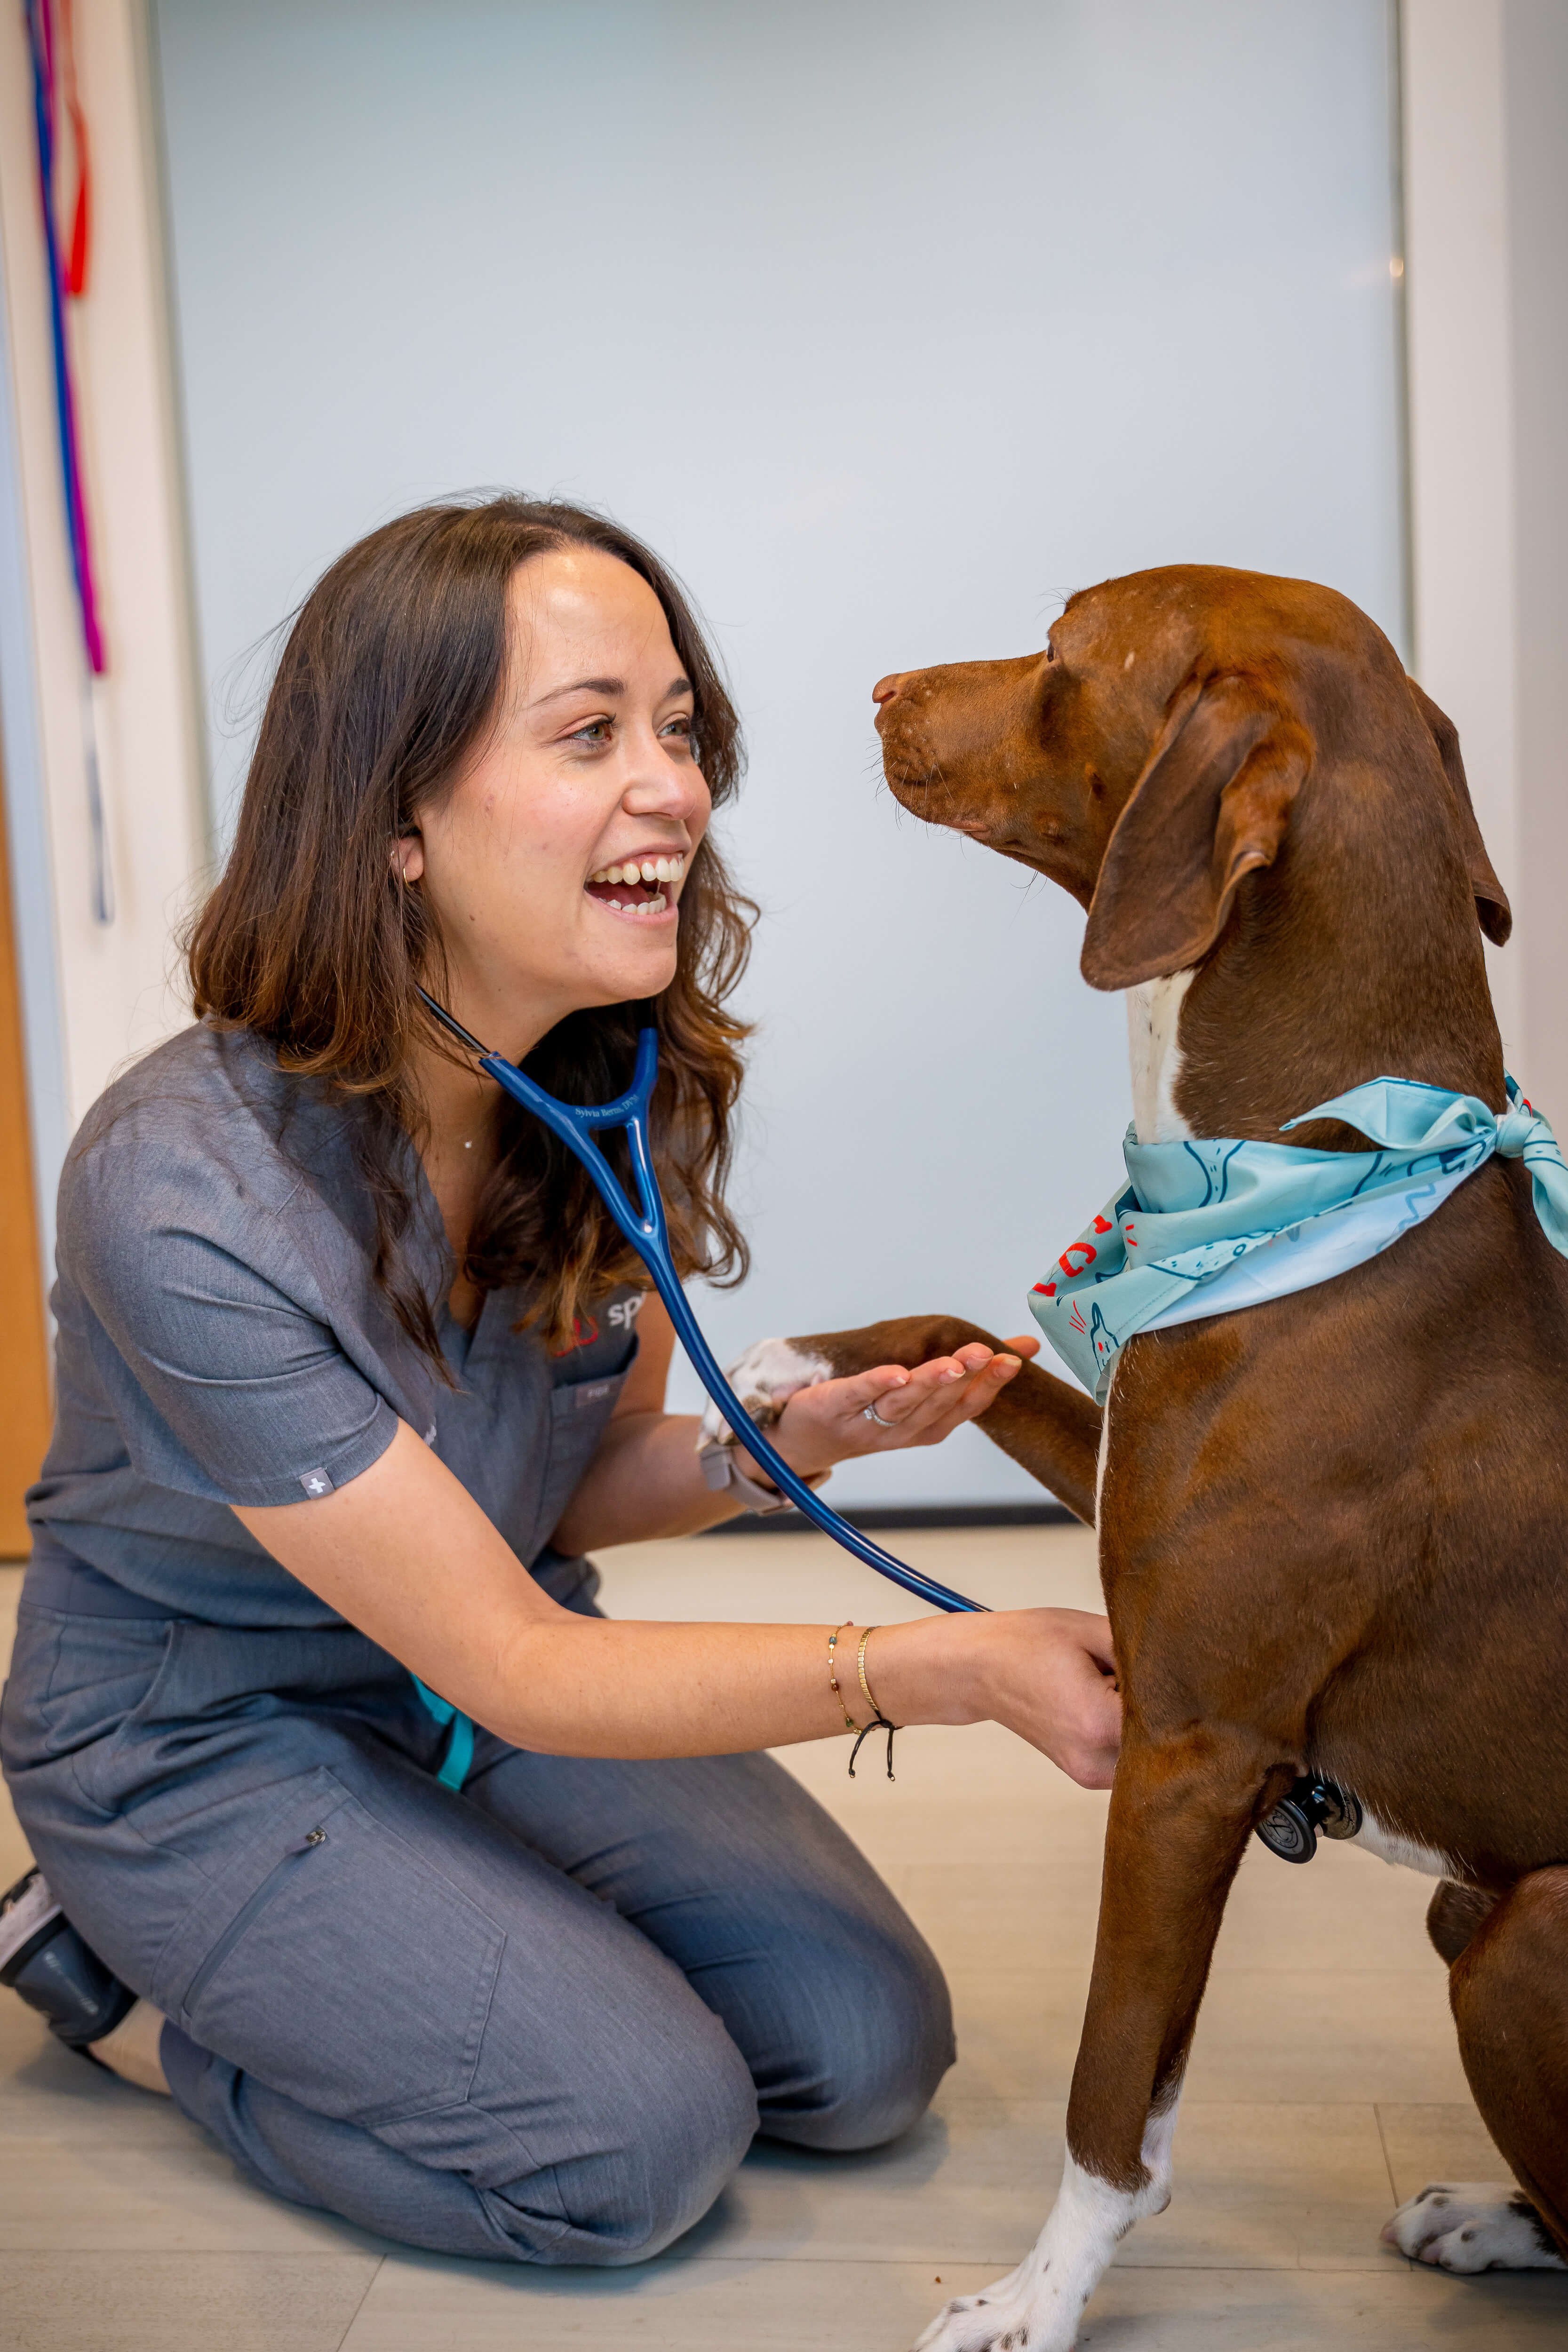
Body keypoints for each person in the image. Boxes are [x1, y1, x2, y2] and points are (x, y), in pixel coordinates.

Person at [0, 496, 1119, 2265]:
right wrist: (953, 1665)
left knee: (863, 2058)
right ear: (397, 821)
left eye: (678, 728)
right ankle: (114, 1988)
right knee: (633, 2144)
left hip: (462, 1691)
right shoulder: (181, 1186)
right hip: (206, 1735)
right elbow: (512, 1655)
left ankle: (420, 1921)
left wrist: (767, 1454)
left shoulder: (618, 1085)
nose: (675, 788)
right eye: (589, 733)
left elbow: (555, 1494)